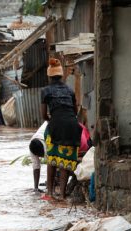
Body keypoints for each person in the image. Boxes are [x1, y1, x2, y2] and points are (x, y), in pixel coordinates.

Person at [40, 58, 82, 201]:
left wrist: (53, 119)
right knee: (64, 162)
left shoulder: (46, 91)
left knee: (52, 160)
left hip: (56, 125)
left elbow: (43, 115)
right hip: (72, 126)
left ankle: (50, 193)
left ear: (49, 76)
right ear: (60, 75)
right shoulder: (69, 90)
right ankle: (63, 196)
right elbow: (75, 111)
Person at [29, 121, 48, 194]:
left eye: (40, 155)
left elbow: (50, 165)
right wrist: (36, 188)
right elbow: (36, 166)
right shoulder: (32, 147)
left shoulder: (46, 146)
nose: (39, 157)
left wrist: (48, 188)